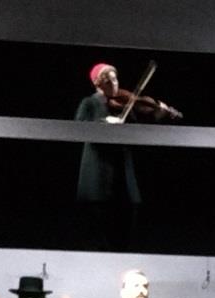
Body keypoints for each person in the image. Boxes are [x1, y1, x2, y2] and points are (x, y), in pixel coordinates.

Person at [74, 63, 182, 251]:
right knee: (99, 235)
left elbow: (141, 127)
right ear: (98, 83)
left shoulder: (125, 103)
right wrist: (104, 121)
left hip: (123, 179)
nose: (115, 84)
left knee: (124, 234)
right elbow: (78, 127)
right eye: (109, 81)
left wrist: (159, 113)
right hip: (99, 178)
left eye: (115, 79)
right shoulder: (90, 103)